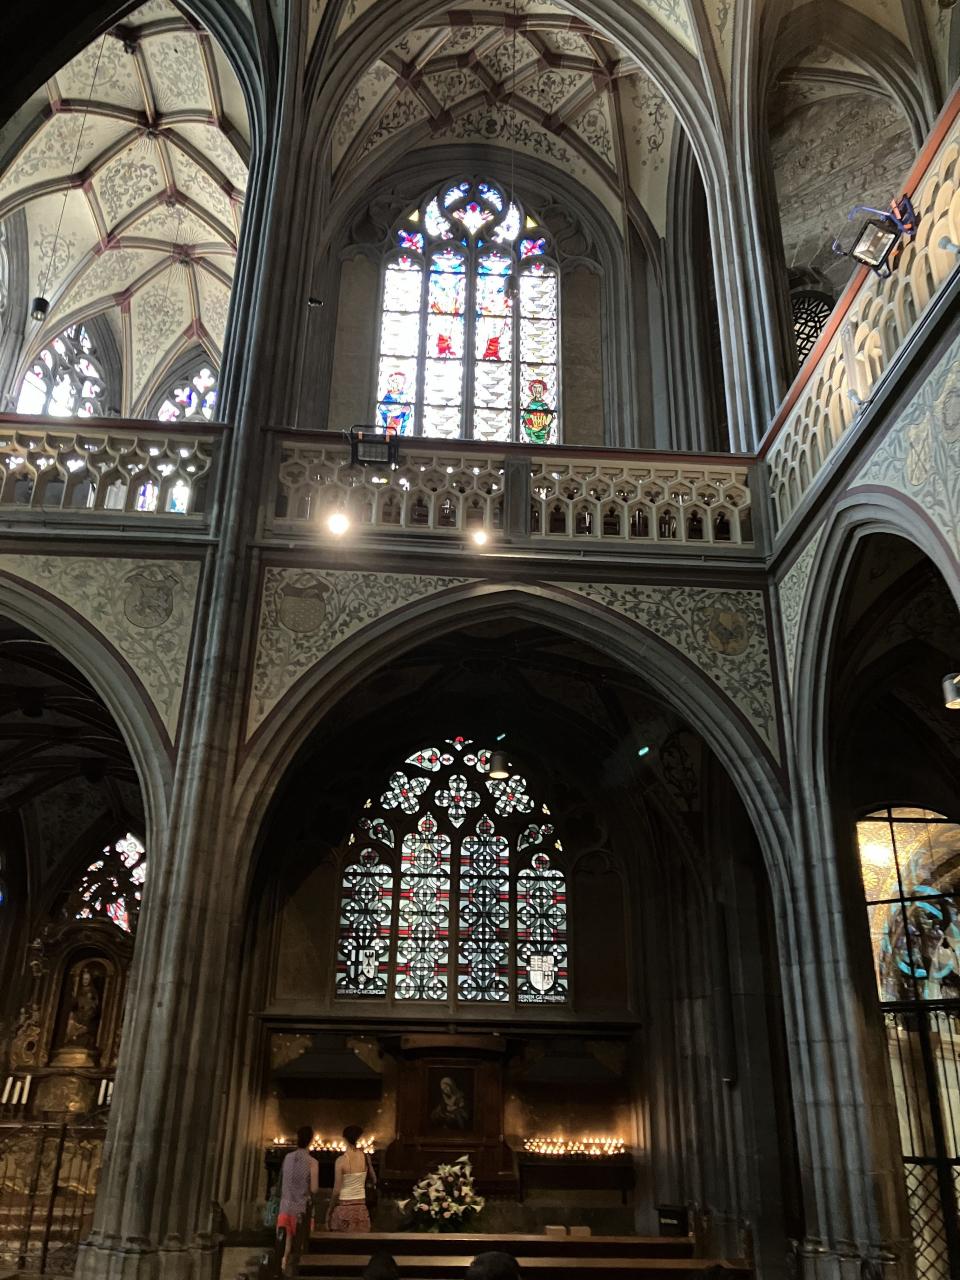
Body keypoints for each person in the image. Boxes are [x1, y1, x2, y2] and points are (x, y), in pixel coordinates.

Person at [276, 1126, 318, 1276]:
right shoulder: (312, 1162)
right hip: (300, 1210)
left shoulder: (287, 1158)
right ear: (311, 1140)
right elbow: (314, 1188)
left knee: (284, 1246)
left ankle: (281, 1269)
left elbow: (281, 1181)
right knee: (298, 1249)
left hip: (284, 1208)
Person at [325, 1124, 375, 1232]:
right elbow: (374, 1179)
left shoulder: (341, 1161)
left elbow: (336, 1191)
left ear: (344, 1139)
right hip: (361, 1208)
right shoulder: (365, 1157)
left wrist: (329, 1210)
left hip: (343, 1208)